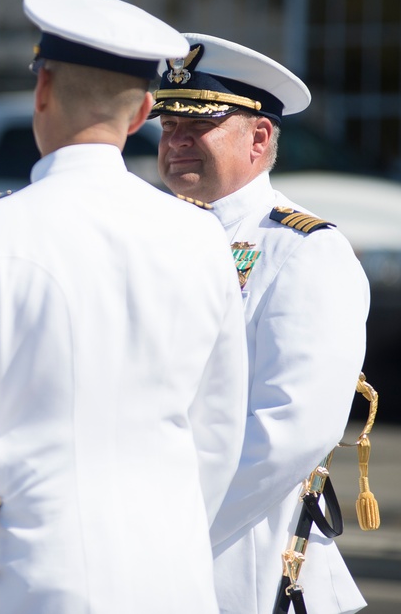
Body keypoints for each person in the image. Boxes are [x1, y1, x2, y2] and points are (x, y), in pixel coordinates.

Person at [0, 0, 249, 614]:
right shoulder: (202, 235)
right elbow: (218, 433)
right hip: (174, 577)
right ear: (143, 113)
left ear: (42, 91)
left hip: (36, 578)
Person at [151, 33, 370, 614]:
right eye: (168, 125)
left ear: (259, 136)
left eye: (197, 126)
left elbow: (291, 428)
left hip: (242, 563)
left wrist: (167, 532)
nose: (176, 142)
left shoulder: (302, 251)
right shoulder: (148, 238)